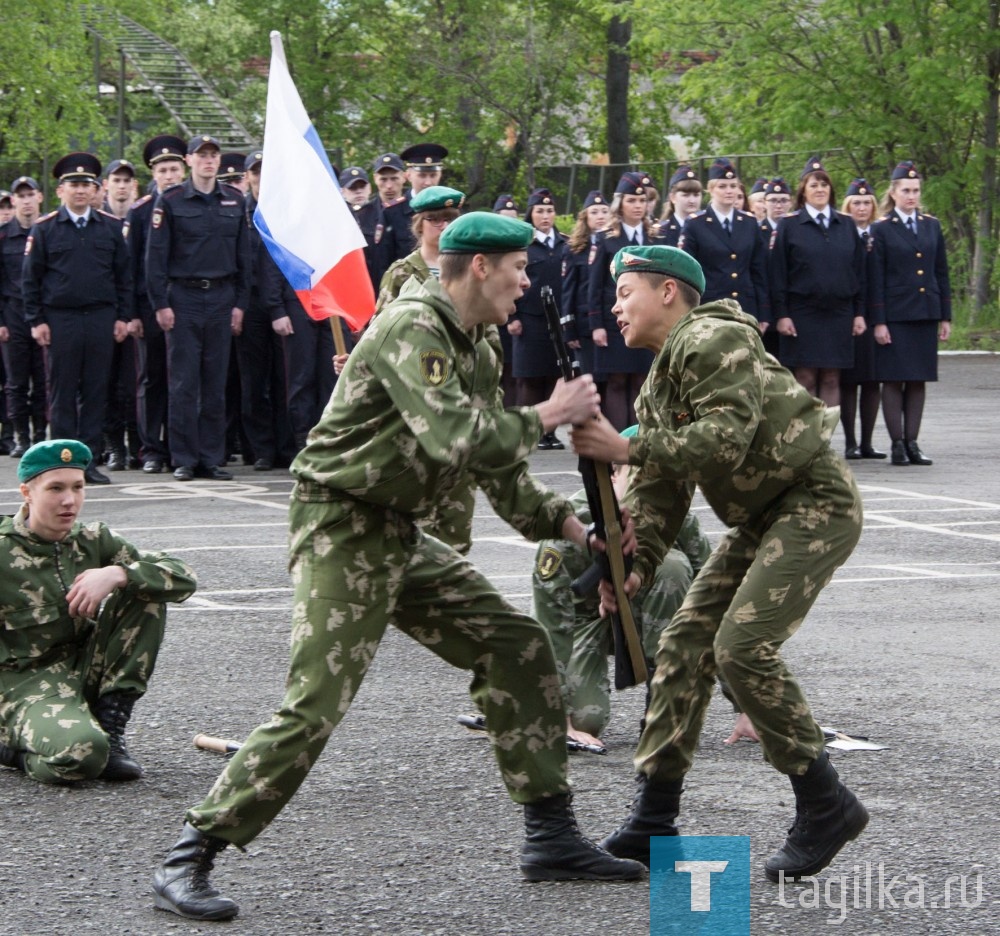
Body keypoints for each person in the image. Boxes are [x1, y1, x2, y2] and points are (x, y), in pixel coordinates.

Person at [151, 212, 645, 923]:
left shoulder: (475, 347)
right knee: (316, 701)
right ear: (479, 267)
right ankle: (190, 853)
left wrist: (576, 531)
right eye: (518, 267)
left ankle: (552, 836)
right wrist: (548, 413)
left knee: (516, 646)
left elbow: (495, 468)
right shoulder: (414, 322)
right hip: (341, 525)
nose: (526, 281)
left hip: (398, 531)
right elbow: (451, 437)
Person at [570, 245, 868, 881]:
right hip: (764, 517)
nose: (615, 306)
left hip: (812, 500)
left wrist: (625, 443)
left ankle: (825, 801)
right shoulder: (660, 379)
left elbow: (725, 438)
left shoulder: (709, 339)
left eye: (626, 293)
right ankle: (654, 821)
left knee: (741, 647)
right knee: (681, 646)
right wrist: (634, 567)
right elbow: (660, 493)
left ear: (669, 293)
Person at [0, 439, 197, 783]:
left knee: (144, 589)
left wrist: (118, 573)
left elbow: (182, 576)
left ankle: (111, 727)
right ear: (26, 493)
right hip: (24, 686)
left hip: (84, 669)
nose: (69, 500)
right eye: (55, 488)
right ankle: (12, 752)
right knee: (82, 756)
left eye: (78, 487)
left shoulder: (92, 540)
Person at [531, 425, 711, 744]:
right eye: (642, 476)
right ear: (613, 475)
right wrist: (555, 716)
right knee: (586, 720)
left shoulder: (676, 520)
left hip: (645, 620)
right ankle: (514, 696)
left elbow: (716, 603)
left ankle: (663, 707)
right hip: (581, 622)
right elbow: (549, 625)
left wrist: (747, 706)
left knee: (672, 568)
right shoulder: (570, 529)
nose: (652, 491)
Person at [21, 152, 132, 486]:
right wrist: (36, 319)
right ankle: (59, 465)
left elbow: (124, 277)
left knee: (97, 392)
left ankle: (87, 462)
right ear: (60, 191)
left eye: (86, 184)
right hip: (61, 319)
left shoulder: (111, 228)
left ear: (96, 190)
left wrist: (123, 317)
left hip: (101, 317)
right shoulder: (45, 229)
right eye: (73, 185)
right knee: (63, 392)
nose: (80, 190)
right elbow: (30, 279)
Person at [145, 135, 251, 481]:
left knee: (215, 381)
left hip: (222, 297)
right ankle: (184, 458)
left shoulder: (234, 200)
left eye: (213, 156)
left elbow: (244, 258)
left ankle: (210, 456)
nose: (208, 161)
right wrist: (161, 303)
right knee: (183, 382)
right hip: (184, 299)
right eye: (201, 156)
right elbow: (156, 259)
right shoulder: (171, 201)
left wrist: (240, 304)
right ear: (189, 160)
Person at [869, 160, 950, 466]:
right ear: (894, 192)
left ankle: (913, 442)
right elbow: (875, 278)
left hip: (925, 311)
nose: (911, 196)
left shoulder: (931, 225)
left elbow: (940, 272)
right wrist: (879, 321)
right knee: (893, 380)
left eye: (915, 190)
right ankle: (897, 445)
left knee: (918, 379)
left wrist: (945, 315)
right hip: (896, 314)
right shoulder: (882, 228)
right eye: (906, 190)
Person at [769, 156, 867, 408]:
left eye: (824, 185)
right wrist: (782, 314)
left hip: (839, 312)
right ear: (803, 190)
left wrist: (859, 313)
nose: (820, 190)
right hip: (803, 311)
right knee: (805, 376)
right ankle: (805, 440)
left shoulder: (845, 224)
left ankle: (825, 441)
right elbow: (778, 273)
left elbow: (859, 272)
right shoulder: (789, 225)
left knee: (833, 377)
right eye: (814, 185)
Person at [125, 134, 187, 475]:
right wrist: (133, 312)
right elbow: (132, 265)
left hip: (185, 305)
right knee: (152, 378)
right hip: (149, 307)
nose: (169, 175)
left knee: (184, 378)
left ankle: (181, 448)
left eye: (174, 168)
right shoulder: (141, 211)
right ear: (153, 173)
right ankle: (151, 449)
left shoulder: (192, 203)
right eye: (162, 169)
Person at [588, 171, 662, 430]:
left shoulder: (656, 236)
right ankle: (619, 445)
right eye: (632, 201)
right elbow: (594, 285)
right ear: (620, 204)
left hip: (647, 318)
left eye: (642, 201)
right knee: (617, 382)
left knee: (643, 380)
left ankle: (640, 440)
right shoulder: (605, 237)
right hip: (615, 319)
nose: (638, 206)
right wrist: (596, 323)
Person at [237, 151, 292, 471]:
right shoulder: (237, 211)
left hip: (281, 303)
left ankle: (285, 446)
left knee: (284, 378)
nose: (260, 178)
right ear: (247, 178)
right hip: (249, 304)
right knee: (254, 380)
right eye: (255, 173)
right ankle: (261, 449)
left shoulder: (284, 213)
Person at [508, 187, 569, 449]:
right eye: (540, 210)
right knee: (530, 376)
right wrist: (514, 315)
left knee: (553, 373)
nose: (545, 215)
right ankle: (528, 430)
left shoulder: (565, 244)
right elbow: (512, 280)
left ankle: (549, 432)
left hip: (557, 319)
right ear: (530, 214)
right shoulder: (524, 245)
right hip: (529, 317)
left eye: (550, 210)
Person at [0, 176, 47, 456]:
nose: (26, 201)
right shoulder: (3, 236)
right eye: (21, 196)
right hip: (13, 314)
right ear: (14, 200)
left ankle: (41, 434)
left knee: (43, 380)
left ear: (39, 197)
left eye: (31, 195)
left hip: (43, 315)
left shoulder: (49, 230)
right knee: (16, 381)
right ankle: (21, 436)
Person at [839, 178, 886, 459]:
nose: (862, 207)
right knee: (849, 380)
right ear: (847, 206)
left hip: (877, 313)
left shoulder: (880, 233)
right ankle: (850, 442)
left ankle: (867, 442)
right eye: (856, 202)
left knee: (872, 380)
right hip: (849, 314)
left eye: (867, 202)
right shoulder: (843, 233)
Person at [101, 159, 142, 471]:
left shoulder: (143, 217)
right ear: (106, 185)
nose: (123, 185)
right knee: (106, 384)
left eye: (128, 180)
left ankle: (138, 445)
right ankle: (114, 446)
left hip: (137, 315)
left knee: (134, 385)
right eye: (117, 180)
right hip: (103, 315)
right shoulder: (99, 222)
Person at [561, 190, 609, 377]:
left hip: (609, 321)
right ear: (585, 217)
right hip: (584, 324)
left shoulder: (614, 244)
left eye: (604, 211)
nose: (600, 217)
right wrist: (569, 330)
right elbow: (568, 292)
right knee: (590, 378)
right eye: (595, 212)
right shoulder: (575, 249)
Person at [340, 165, 390, 293]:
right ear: (342, 191)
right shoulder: (338, 217)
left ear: (369, 188)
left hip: (376, 281)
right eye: (352, 188)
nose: (358, 191)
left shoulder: (382, 213)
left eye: (362, 187)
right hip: (349, 283)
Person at [373, 152, 413, 262]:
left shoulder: (414, 211)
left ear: (404, 177)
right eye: (383, 179)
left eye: (394, 178)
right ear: (375, 178)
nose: (389, 186)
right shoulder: (363, 215)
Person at [654, 165, 702, 247]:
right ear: (673, 197)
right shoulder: (661, 231)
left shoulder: (706, 229)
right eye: (686, 195)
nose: (692, 200)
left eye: (696, 195)